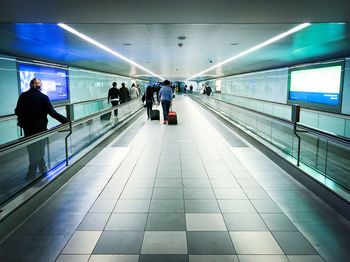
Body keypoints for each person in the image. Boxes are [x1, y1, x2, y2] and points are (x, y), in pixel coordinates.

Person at [15, 78, 68, 180]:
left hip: (28, 128)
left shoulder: (23, 96)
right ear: (40, 86)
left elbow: (17, 111)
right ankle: (31, 173)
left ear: (30, 85)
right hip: (40, 128)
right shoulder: (43, 97)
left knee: (32, 150)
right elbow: (52, 112)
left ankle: (42, 168)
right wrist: (65, 120)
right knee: (40, 149)